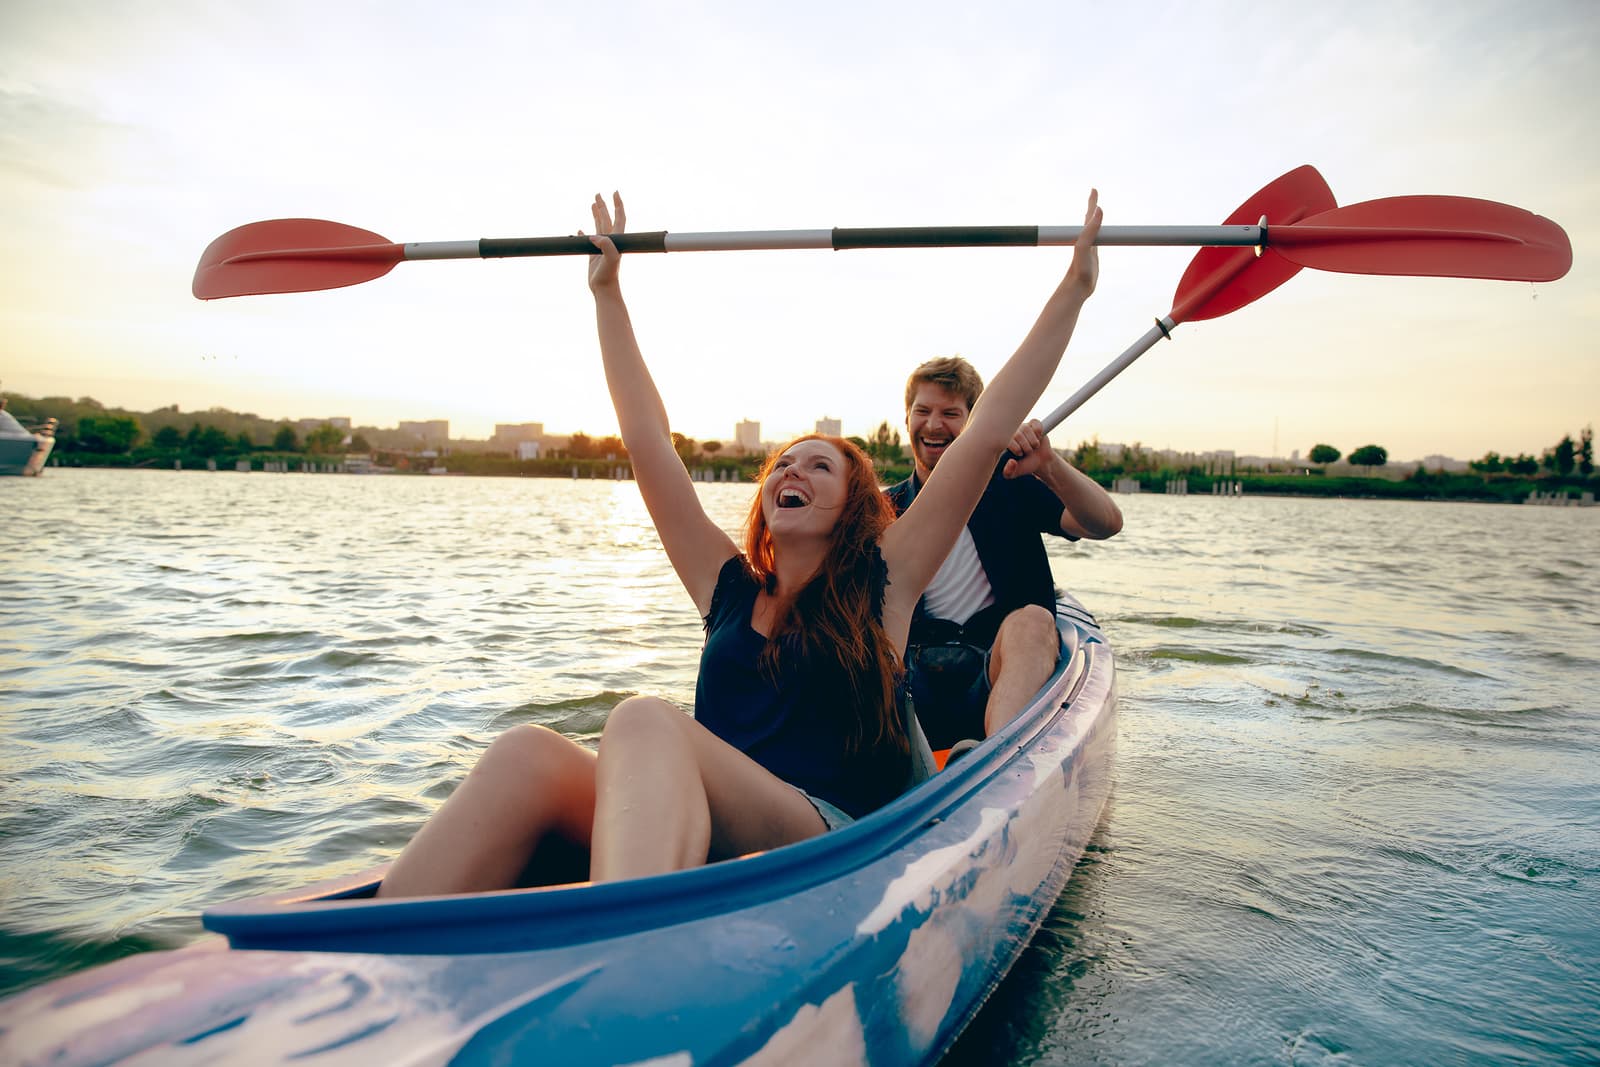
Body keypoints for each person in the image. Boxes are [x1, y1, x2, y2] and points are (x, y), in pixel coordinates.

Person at [377, 187, 1103, 898]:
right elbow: (647, 441)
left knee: (643, 720)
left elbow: (986, 429)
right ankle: (358, 969)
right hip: (716, 824)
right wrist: (608, 296)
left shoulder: (887, 578)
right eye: (784, 462)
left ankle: (627, 956)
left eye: (821, 464)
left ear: (855, 506)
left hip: (834, 842)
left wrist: (1073, 288)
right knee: (527, 752)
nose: (792, 468)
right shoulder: (726, 587)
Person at [887, 357, 1122, 754]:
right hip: (912, 682)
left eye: (950, 413)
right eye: (922, 411)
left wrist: (1048, 464)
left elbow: (1105, 522)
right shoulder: (883, 509)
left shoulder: (1013, 482)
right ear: (907, 418)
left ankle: (993, 757)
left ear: (976, 422)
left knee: (1033, 620)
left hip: (999, 668)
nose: (933, 425)